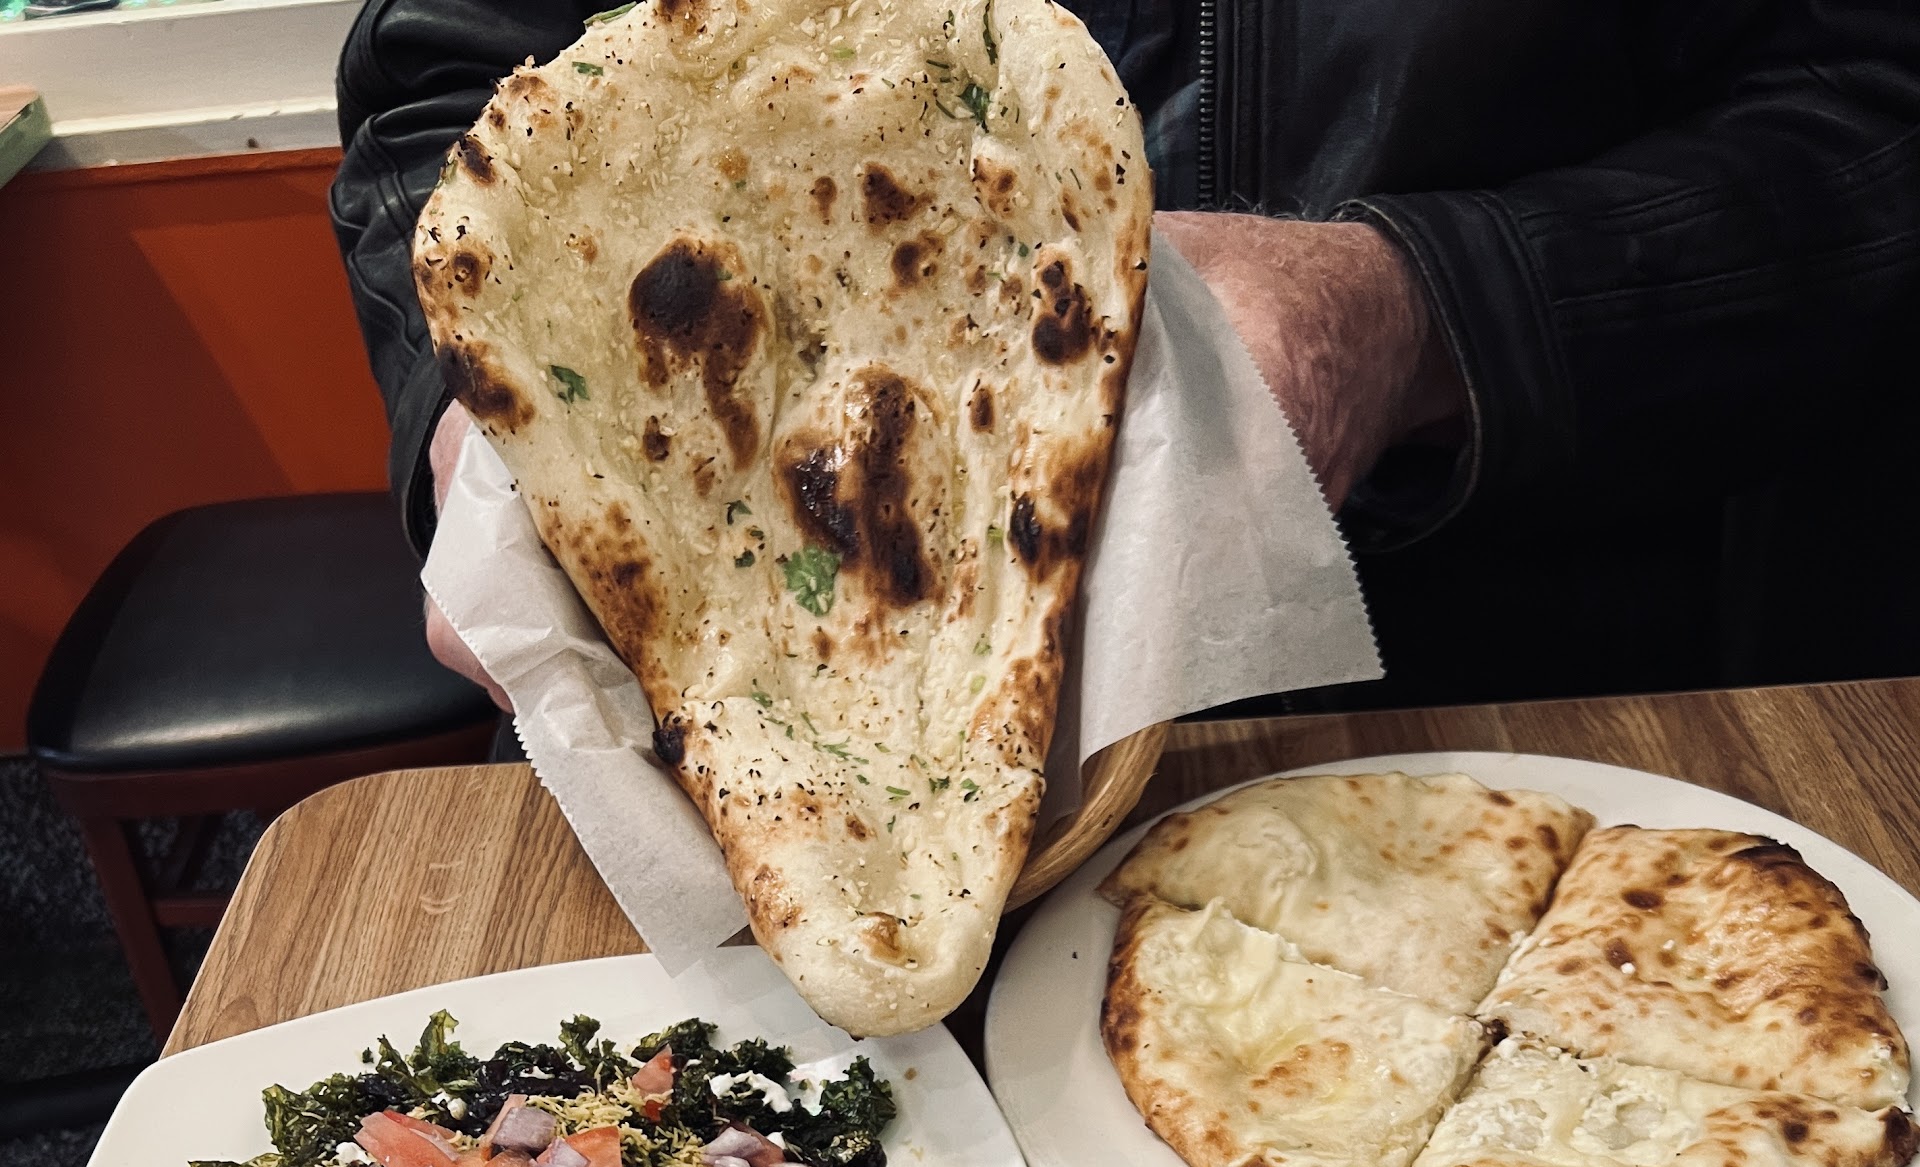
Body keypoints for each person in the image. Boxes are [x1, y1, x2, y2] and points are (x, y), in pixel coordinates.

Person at [332, 0, 1920, 713]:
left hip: (1520, 693)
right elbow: (445, 93)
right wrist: (475, 397)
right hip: (750, 709)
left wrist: (1425, 306)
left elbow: (1872, 107)